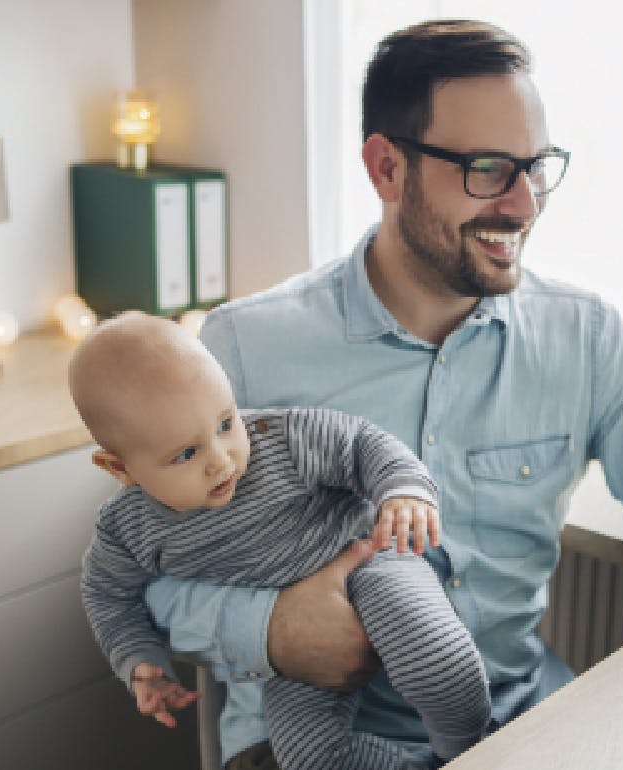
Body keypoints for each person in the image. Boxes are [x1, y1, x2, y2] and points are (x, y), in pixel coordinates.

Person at [148, 19, 623, 769]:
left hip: (515, 721)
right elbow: (148, 573)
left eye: (535, 167)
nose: (524, 204)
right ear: (386, 168)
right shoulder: (245, 350)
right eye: (486, 168)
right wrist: (270, 627)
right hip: (311, 741)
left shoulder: (585, 337)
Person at [74, 311, 491, 769]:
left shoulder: (282, 439)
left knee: (439, 662)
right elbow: (108, 594)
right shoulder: (127, 529)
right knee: (306, 758)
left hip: (366, 559)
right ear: (120, 469)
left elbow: (362, 445)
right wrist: (138, 661)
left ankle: (472, 753)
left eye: (225, 423)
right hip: (293, 640)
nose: (222, 460)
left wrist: (403, 491)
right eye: (187, 454)